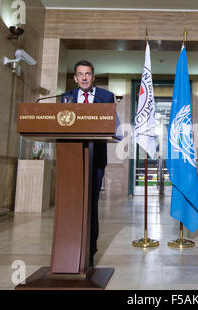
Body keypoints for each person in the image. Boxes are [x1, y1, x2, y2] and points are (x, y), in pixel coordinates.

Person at [61, 60, 115, 267]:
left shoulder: (106, 97)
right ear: (75, 78)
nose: (84, 77)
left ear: (93, 77)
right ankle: (69, 247)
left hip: (95, 157)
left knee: (90, 203)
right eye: (80, 74)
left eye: (88, 74)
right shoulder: (66, 98)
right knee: (72, 204)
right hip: (71, 157)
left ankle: (90, 250)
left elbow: (108, 124)